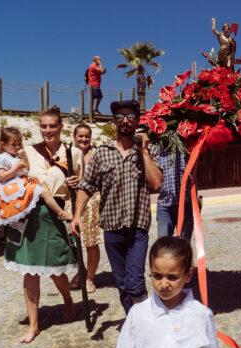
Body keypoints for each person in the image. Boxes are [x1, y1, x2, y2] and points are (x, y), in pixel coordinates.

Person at [71, 100, 163, 314]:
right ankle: (133, 321)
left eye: (130, 117)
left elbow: (157, 183)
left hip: (137, 228)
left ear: (137, 121)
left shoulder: (149, 151)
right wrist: (76, 216)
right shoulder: (102, 153)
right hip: (112, 229)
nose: (125, 121)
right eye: (120, 117)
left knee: (135, 281)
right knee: (122, 283)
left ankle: (144, 322)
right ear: (114, 121)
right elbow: (86, 186)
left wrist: (144, 152)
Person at [3, 107, 83, 343]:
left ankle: (68, 300)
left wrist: (75, 185)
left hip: (56, 214)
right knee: (29, 270)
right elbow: (12, 173)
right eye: (43, 126)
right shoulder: (28, 151)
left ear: (61, 127)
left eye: (52, 126)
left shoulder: (74, 153)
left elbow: (82, 188)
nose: (48, 130)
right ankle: (33, 325)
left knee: (56, 267)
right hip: (29, 214)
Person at [0, 126, 72, 226]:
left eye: (19, 144)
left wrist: (24, 157)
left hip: (23, 182)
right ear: (3, 145)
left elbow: (27, 168)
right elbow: (2, 177)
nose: (17, 147)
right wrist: (16, 168)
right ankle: (60, 213)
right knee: (43, 193)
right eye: (14, 145)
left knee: (44, 192)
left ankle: (59, 213)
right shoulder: (1, 158)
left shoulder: (16, 156)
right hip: (11, 185)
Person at [73, 124, 100, 293]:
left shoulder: (96, 154)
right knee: (73, 243)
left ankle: (90, 277)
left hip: (91, 203)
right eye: (80, 136)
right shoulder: (69, 153)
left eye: (87, 136)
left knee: (91, 242)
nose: (84, 139)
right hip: (71, 202)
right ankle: (81, 271)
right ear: (74, 137)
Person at [157, 144, 197, 239]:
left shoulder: (188, 144)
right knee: (163, 243)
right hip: (164, 203)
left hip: (186, 203)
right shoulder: (157, 148)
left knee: (184, 243)